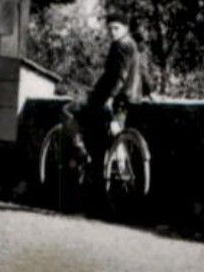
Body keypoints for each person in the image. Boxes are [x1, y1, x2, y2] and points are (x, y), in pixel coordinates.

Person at [64, 11, 149, 171]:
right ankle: (120, 168)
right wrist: (148, 93)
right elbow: (140, 72)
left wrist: (109, 96)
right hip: (130, 98)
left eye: (116, 28)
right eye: (110, 29)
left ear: (125, 28)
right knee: (115, 132)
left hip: (116, 97)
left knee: (71, 111)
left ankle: (81, 151)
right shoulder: (133, 45)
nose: (112, 32)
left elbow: (121, 76)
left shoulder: (120, 45)